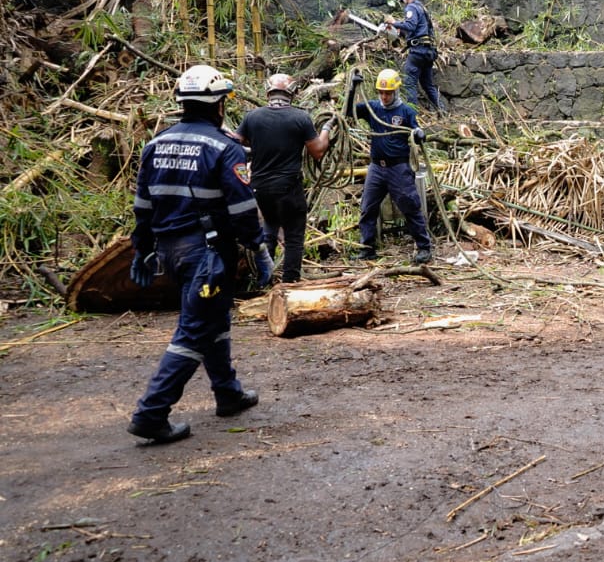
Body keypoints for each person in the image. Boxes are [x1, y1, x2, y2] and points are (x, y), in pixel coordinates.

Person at [127, 64, 275, 445]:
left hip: (170, 251)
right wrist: (258, 248)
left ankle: (228, 392)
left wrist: (141, 248)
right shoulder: (224, 148)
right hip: (207, 254)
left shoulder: (155, 145)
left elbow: (143, 206)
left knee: (214, 317)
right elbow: (242, 209)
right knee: (193, 330)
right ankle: (151, 413)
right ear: (219, 105)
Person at [234, 74, 334, 283]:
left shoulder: (252, 117)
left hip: (260, 188)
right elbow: (318, 151)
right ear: (293, 92)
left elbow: (235, 144)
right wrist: (326, 129)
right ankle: (290, 282)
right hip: (288, 188)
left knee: (269, 228)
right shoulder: (300, 118)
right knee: (294, 236)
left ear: (268, 92)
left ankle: (266, 279)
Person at [346, 68, 433, 264]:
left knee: (410, 205)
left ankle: (424, 247)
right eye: (381, 92)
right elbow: (347, 112)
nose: (384, 97)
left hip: (398, 168)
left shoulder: (406, 111)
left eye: (388, 93)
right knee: (367, 207)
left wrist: (419, 134)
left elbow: (416, 130)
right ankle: (367, 248)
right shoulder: (372, 108)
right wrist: (352, 88)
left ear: (396, 92)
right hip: (376, 167)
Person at [384, 0, 443, 112]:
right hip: (428, 52)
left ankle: (412, 116)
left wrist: (394, 22)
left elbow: (411, 25)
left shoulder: (411, 8)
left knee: (409, 82)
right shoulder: (421, 7)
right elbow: (418, 29)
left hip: (418, 52)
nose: (403, 1)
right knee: (428, 85)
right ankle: (443, 112)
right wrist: (401, 31)